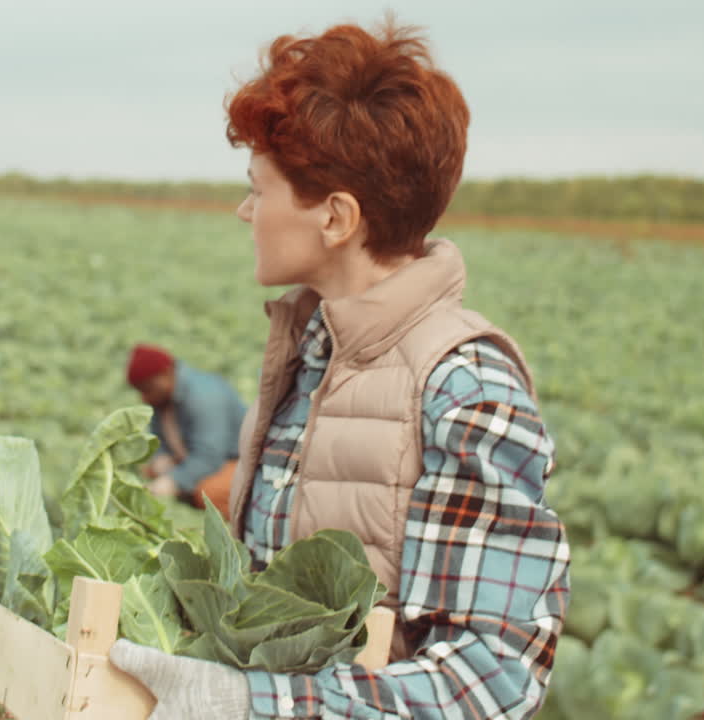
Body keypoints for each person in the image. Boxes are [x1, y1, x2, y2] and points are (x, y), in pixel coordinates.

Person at [108, 17, 571, 720]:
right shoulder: (309, 356)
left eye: (259, 188)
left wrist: (251, 704)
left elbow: (494, 683)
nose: (244, 211)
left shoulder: (465, 391)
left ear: (335, 218)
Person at [126, 342, 247, 519]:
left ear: (166, 373)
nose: (144, 398)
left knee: (209, 493)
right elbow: (159, 440)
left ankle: (240, 521)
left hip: (237, 461)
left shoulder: (204, 396)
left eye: (147, 389)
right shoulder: (161, 398)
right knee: (147, 470)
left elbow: (209, 457)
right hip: (195, 459)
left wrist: (173, 481)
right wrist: (161, 458)